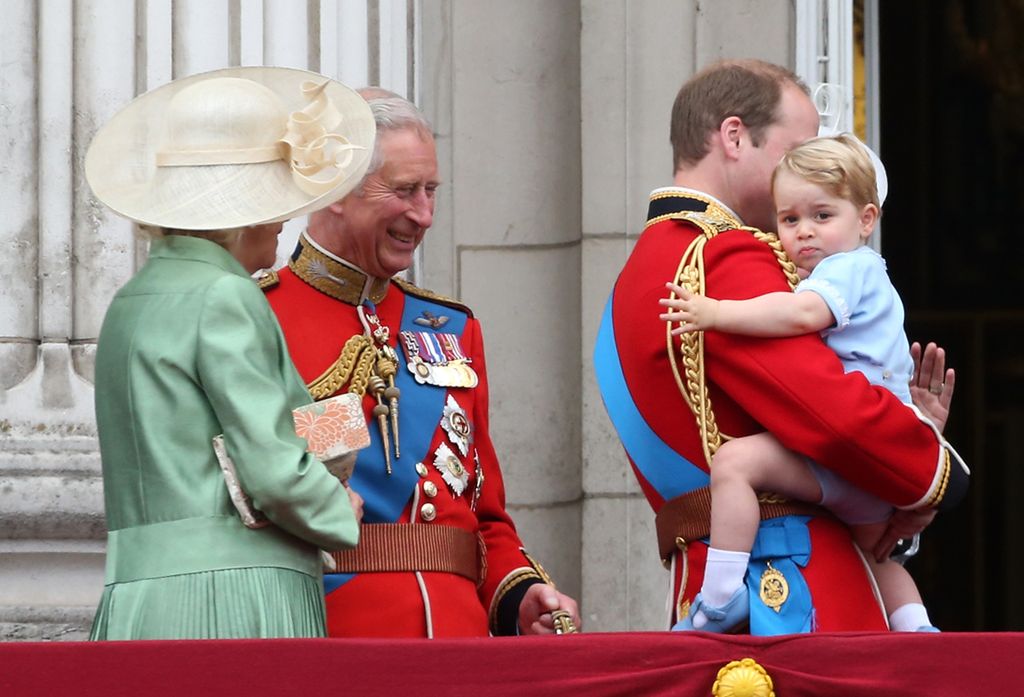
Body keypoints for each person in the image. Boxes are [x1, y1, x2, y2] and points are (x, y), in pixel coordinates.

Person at [593, 59, 968, 634]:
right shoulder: (722, 257)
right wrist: (934, 466)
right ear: (735, 136)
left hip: (709, 577)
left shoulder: (630, 279)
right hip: (792, 591)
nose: (806, 170)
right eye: (797, 150)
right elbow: (834, 418)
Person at [262, 91, 580, 637]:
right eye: (405, 191)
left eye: (431, 190)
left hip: (460, 648)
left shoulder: (453, 328)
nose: (425, 215)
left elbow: (485, 517)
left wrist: (521, 594)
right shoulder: (262, 317)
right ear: (335, 188)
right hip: (335, 640)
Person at [85, 66, 374, 639]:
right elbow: (272, 470)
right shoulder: (225, 295)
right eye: (275, 202)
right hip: (235, 594)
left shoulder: (130, 300)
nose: (286, 221)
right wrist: (338, 505)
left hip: (138, 598)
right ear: (245, 216)